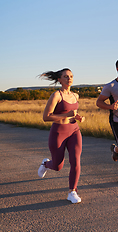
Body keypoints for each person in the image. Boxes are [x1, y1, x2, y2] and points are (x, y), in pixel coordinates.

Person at [37, 68, 85, 204]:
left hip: (74, 131)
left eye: (71, 76)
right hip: (58, 132)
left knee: (76, 160)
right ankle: (46, 164)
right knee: (58, 166)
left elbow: (72, 114)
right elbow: (46, 117)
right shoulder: (56, 95)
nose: (69, 78)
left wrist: (78, 117)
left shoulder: (76, 95)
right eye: (65, 76)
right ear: (59, 80)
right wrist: (66, 115)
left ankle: (72, 191)